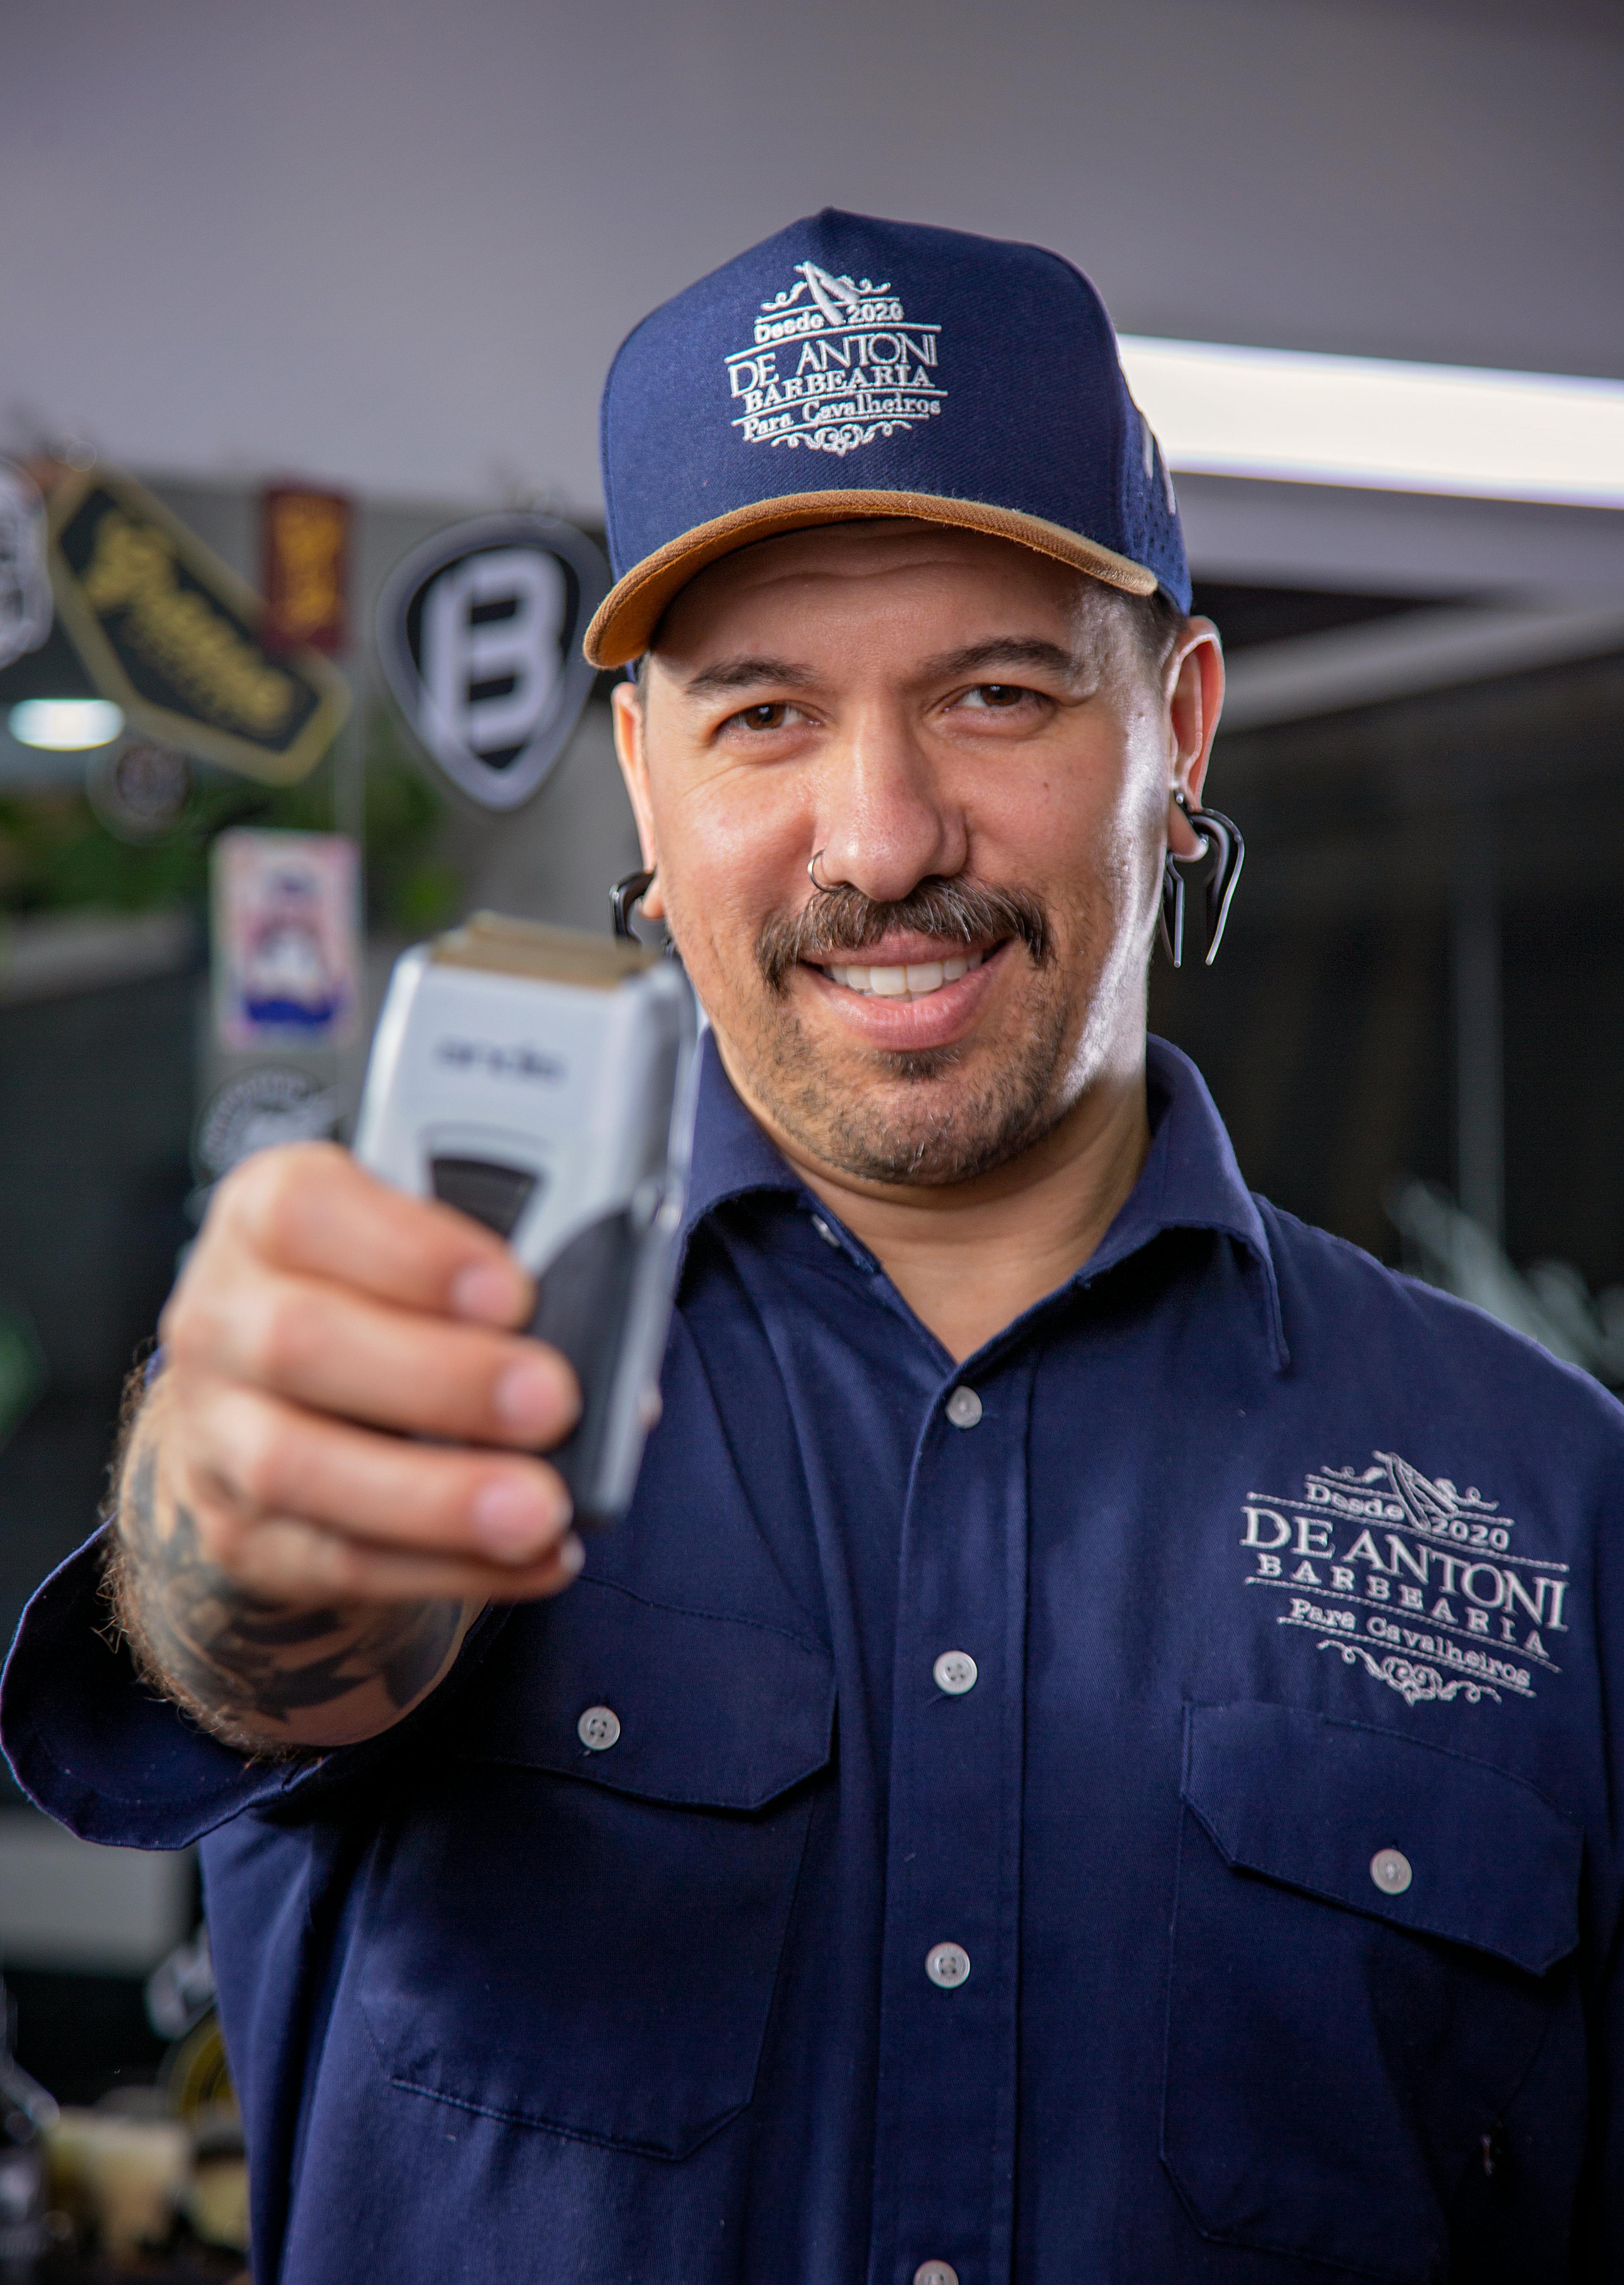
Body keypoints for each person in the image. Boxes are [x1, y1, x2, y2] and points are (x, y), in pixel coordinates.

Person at [5, 211, 1622, 2285]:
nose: (882, 838)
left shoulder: (1555, 1503)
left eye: (998, 692)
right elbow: (241, 1624)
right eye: (763, 715)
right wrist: (223, 1519)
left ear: (1183, 730)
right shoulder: (423, 1361)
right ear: (644, 791)